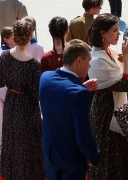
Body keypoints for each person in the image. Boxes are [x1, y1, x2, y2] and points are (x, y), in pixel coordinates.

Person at [39, 40, 101, 180]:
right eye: (88, 60)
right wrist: (94, 156)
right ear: (79, 60)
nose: (90, 65)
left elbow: (59, 100)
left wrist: (82, 87)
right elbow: (83, 136)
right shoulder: (80, 94)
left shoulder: (45, 78)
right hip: (70, 159)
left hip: (50, 152)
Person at [87, 14, 128, 180]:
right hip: (106, 112)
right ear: (103, 33)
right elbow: (125, 84)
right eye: (114, 31)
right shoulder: (98, 59)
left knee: (119, 154)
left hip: (112, 108)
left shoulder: (106, 52)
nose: (118, 34)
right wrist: (127, 56)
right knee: (109, 158)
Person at [0, 19, 45, 180]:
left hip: (11, 103)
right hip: (28, 107)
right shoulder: (34, 65)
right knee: (30, 143)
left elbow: (0, 82)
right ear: (31, 35)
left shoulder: (4, 56)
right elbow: (37, 94)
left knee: (11, 141)